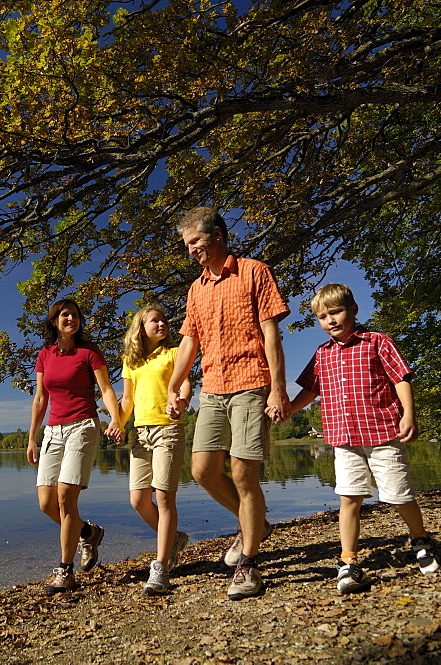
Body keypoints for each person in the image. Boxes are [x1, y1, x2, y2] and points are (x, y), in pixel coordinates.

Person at [285, 283, 441, 595]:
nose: (330, 320)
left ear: (353, 310)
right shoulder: (321, 354)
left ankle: (421, 539)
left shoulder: (377, 342)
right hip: (343, 439)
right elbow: (311, 390)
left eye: (336, 312)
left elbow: (401, 378)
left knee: (398, 494)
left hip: (383, 433)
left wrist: (408, 414)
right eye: (323, 316)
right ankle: (348, 560)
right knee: (349, 497)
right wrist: (288, 409)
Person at [166, 206, 291, 601]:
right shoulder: (196, 288)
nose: (191, 251)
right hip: (213, 389)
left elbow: (272, 334)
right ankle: (254, 524)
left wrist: (278, 388)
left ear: (218, 235)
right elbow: (189, 340)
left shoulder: (255, 271)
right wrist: (175, 384)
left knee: (243, 475)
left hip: (252, 383)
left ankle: (249, 564)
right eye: (187, 245)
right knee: (202, 470)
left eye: (195, 242)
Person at [27, 298, 124, 595]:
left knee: (66, 499)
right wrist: (32, 437)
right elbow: (40, 398)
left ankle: (64, 571)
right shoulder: (45, 354)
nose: (71, 319)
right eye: (65, 315)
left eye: (76, 315)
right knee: (47, 503)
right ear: (54, 321)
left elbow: (106, 389)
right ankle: (88, 532)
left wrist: (116, 419)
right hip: (53, 431)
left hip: (83, 426)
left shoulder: (89, 351)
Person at [118, 306, 193, 595]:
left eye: (164, 320)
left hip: (168, 429)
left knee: (163, 497)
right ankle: (174, 539)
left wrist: (182, 403)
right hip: (140, 434)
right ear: (141, 327)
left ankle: (160, 567)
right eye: (155, 320)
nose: (162, 323)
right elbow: (127, 400)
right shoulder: (130, 361)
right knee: (138, 499)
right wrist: (116, 424)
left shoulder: (174, 353)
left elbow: (185, 385)